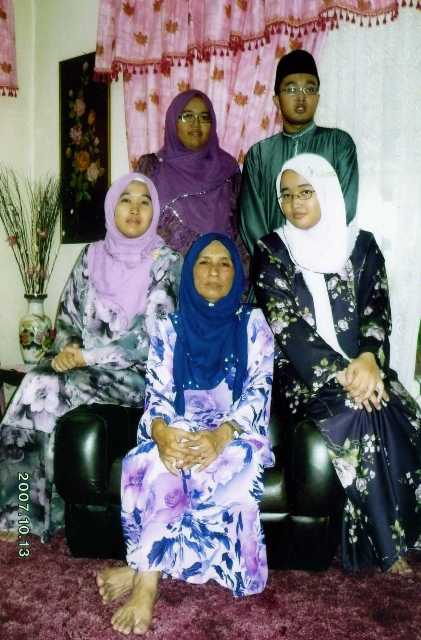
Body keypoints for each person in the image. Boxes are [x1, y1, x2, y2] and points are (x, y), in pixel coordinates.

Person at [252, 153, 421, 575]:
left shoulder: (361, 246)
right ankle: (386, 545)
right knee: (355, 410)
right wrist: (343, 372)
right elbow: (285, 325)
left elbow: (377, 309)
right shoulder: (271, 250)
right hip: (303, 378)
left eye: (305, 192)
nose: (295, 203)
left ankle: (408, 529)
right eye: (286, 195)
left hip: (366, 367)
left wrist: (368, 358)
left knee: (399, 409)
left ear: (326, 191)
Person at [97, 233, 274, 635]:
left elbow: (258, 391)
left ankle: (143, 564)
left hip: (235, 434)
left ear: (237, 274)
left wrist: (220, 436)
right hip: (179, 428)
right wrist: (161, 433)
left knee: (230, 466)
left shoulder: (253, 324)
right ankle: (147, 584)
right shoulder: (168, 328)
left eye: (224, 264)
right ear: (189, 271)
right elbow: (158, 394)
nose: (214, 272)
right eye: (203, 263)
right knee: (151, 460)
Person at [0, 173, 182, 541]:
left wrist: (85, 357)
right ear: (112, 207)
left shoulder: (167, 261)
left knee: (41, 388)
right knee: (34, 387)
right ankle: (24, 513)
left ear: (155, 211)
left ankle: (32, 514)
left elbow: (151, 337)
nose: (134, 209)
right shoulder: (91, 255)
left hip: (137, 377)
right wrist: (68, 349)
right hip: (86, 370)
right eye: (126, 200)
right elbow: (67, 315)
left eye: (144, 201)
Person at [239, 49, 359, 255]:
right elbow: (251, 222)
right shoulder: (259, 155)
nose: (301, 97)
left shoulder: (339, 144)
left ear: (317, 98)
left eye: (309, 89)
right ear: (277, 100)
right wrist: (276, 262)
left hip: (326, 261)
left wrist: (314, 257)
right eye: (292, 89)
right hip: (274, 267)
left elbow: (344, 209)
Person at [136, 89, 244, 258]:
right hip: (163, 271)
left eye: (204, 117)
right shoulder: (151, 167)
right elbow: (137, 224)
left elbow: (241, 232)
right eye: (187, 116)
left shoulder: (228, 169)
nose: (196, 123)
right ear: (173, 121)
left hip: (219, 269)